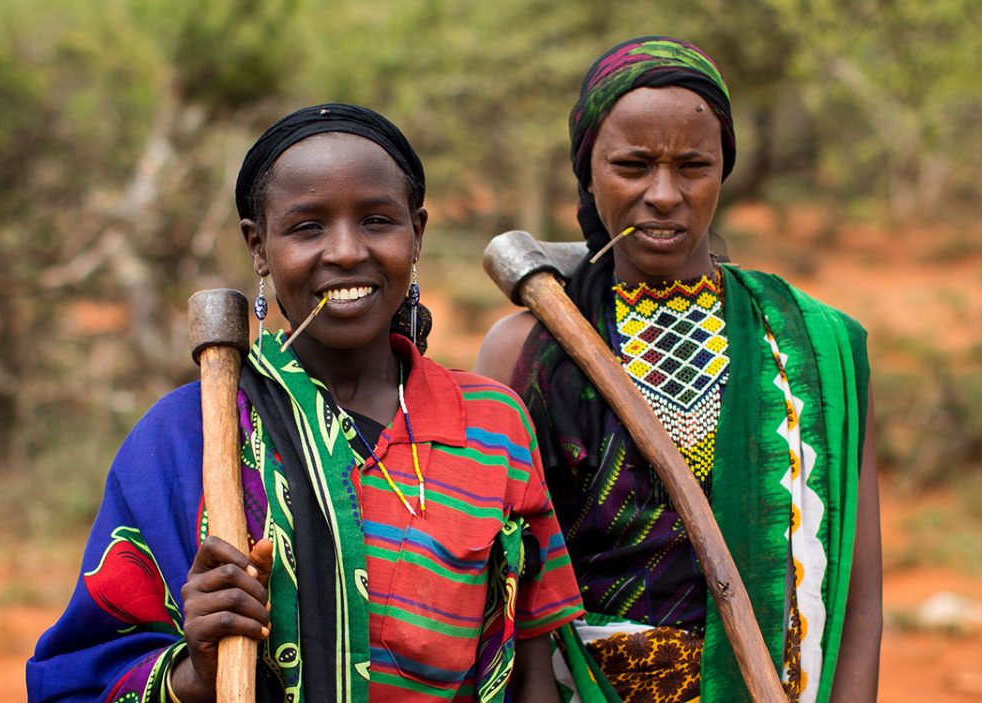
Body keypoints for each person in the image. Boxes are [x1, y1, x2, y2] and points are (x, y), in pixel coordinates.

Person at [29, 104, 584, 703]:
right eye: (308, 226)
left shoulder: (492, 424)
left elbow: (532, 669)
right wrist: (198, 670)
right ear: (258, 246)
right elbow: (79, 682)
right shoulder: (188, 436)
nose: (346, 251)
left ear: (417, 233)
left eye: (376, 220)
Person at [474, 37, 881, 702]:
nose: (664, 195)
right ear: (588, 172)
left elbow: (859, 602)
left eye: (694, 165)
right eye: (632, 165)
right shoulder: (528, 350)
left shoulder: (818, 345)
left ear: (725, 170)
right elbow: (513, 593)